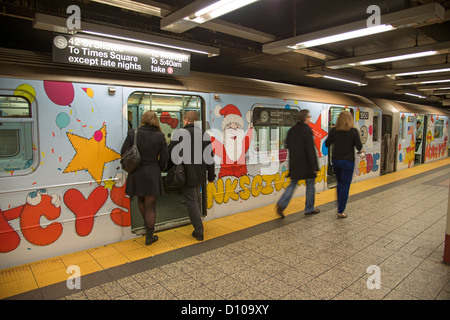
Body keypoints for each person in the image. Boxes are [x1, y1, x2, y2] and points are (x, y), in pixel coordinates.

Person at [121, 110, 168, 245]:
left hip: (136, 172)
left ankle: (146, 224)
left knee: (141, 200)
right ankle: (150, 235)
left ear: (143, 119)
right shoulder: (160, 136)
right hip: (152, 172)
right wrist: (158, 166)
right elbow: (165, 158)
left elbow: (123, 152)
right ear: (155, 121)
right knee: (150, 205)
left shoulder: (133, 133)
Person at [169, 111, 215, 241]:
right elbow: (210, 158)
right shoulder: (204, 135)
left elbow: (171, 154)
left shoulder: (178, 134)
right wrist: (211, 176)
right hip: (200, 174)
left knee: (191, 201)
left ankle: (199, 230)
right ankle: (199, 219)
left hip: (185, 174)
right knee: (196, 197)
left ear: (186, 121)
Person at [276, 109, 320, 218]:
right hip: (307, 164)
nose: (310, 118)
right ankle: (309, 209)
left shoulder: (292, 130)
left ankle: (281, 204)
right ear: (306, 118)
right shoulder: (307, 130)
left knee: (293, 184)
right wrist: (315, 166)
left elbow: (287, 145)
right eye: (309, 116)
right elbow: (310, 149)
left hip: (295, 163)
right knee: (310, 185)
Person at [325, 110, 362, 218]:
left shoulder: (334, 130)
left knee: (339, 183)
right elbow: (359, 146)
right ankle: (340, 210)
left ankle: (339, 206)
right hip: (348, 162)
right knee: (346, 185)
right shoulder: (354, 131)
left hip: (336, 161)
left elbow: (327, 144)